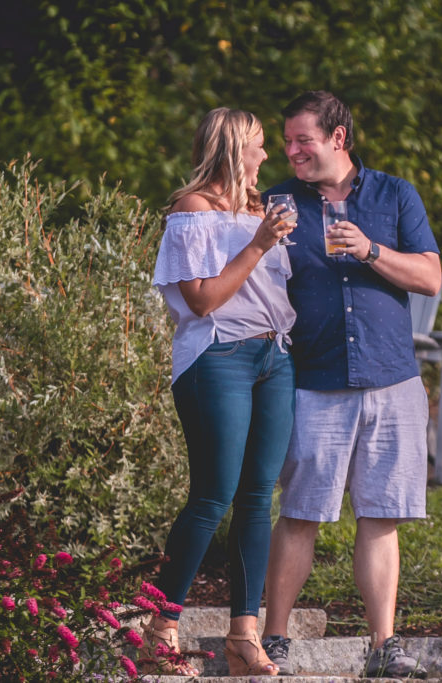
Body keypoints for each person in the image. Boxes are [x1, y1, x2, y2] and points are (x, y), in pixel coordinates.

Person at [259, 91, 442, 678]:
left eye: (302, 140)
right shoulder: (278, 204)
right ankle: (275, 638)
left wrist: (371, 250)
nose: (290, 152)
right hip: (313, 381)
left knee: (381, 514)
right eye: (285, 142)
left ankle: (383, 646)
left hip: (392, 380)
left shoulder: (394, 194)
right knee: (301, 514)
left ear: (338, 138)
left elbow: (431, 277)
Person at [148, 107, 298, 677]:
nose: (266, 156)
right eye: (259, 145)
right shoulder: (192, 213)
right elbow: (203, 301)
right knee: (212, 495)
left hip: (273, 357)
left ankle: (244, 635)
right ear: (234, 148)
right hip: (218, 359)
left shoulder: (261, 208)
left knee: (259, 497)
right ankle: (160, 629)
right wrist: (258, 244)